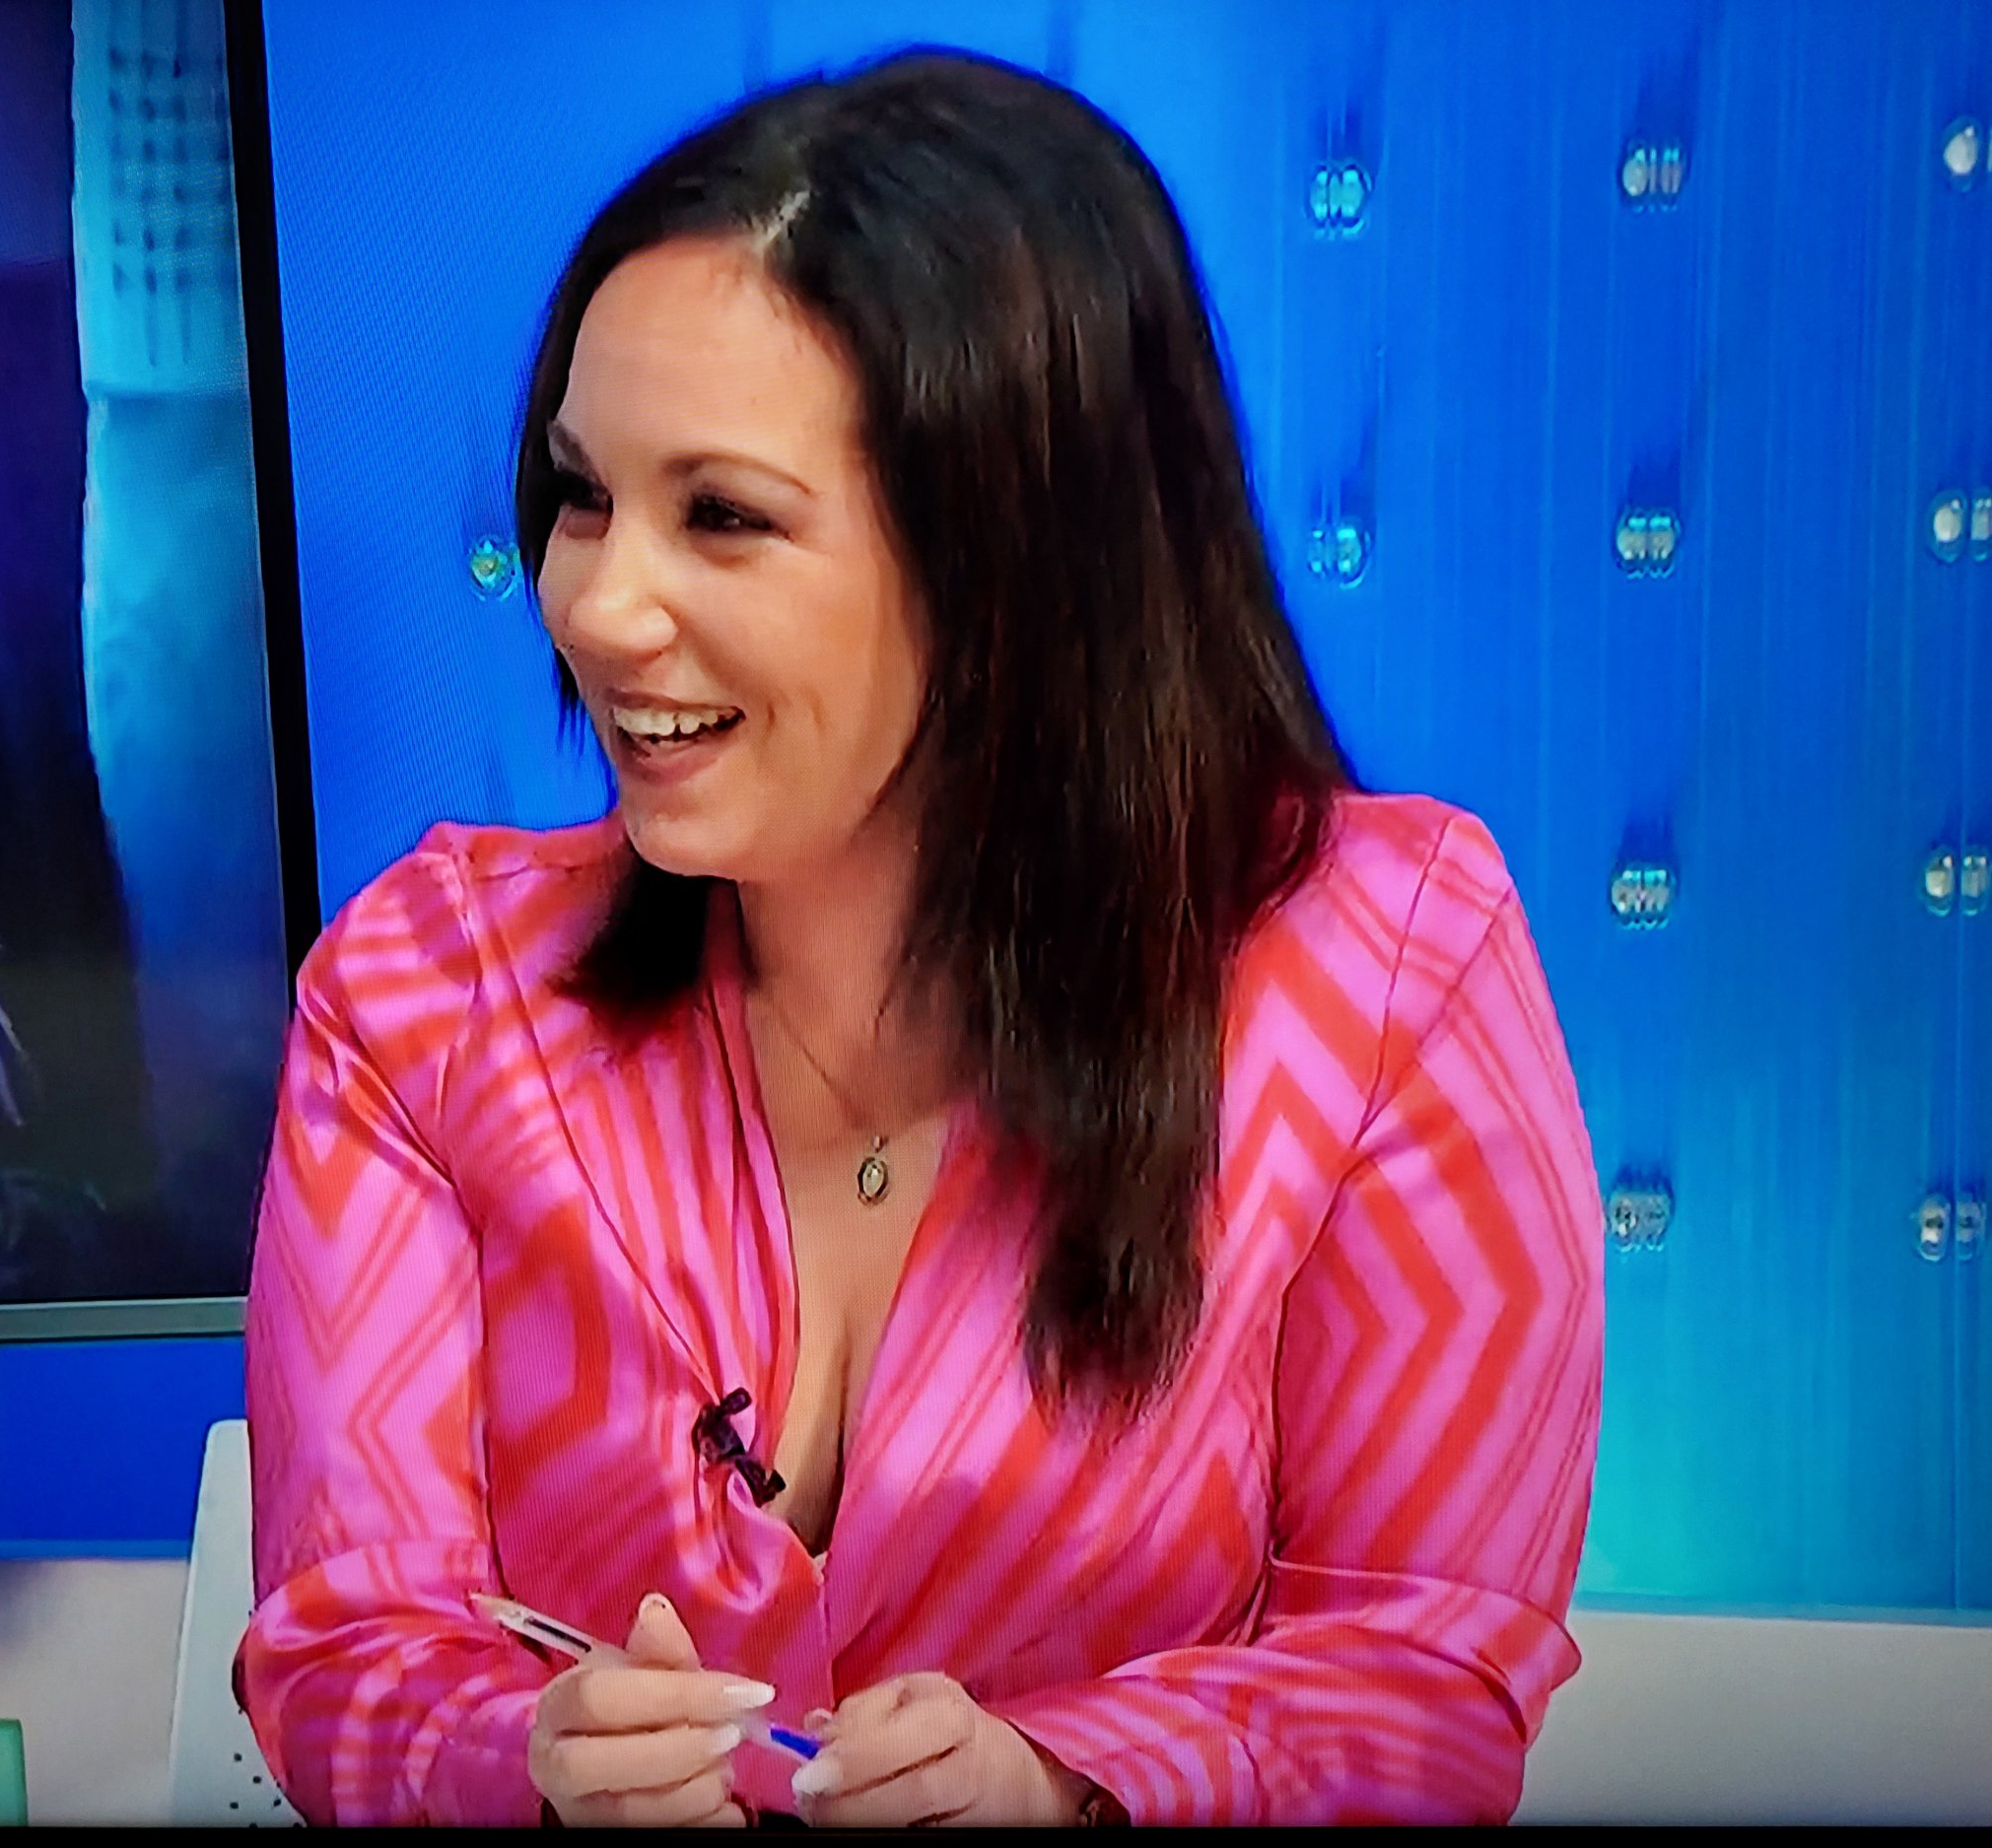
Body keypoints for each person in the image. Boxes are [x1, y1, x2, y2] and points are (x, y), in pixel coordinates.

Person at [240, 47, 1602, 1828]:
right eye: (582, 496)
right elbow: (343, 1649)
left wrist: (1072, 1786)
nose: (596, 603)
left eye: (721, 517)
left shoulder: (1389, 970)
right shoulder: (427, 993)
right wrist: (528, 1764)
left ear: (1015, 566)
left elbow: (1426, 1676)